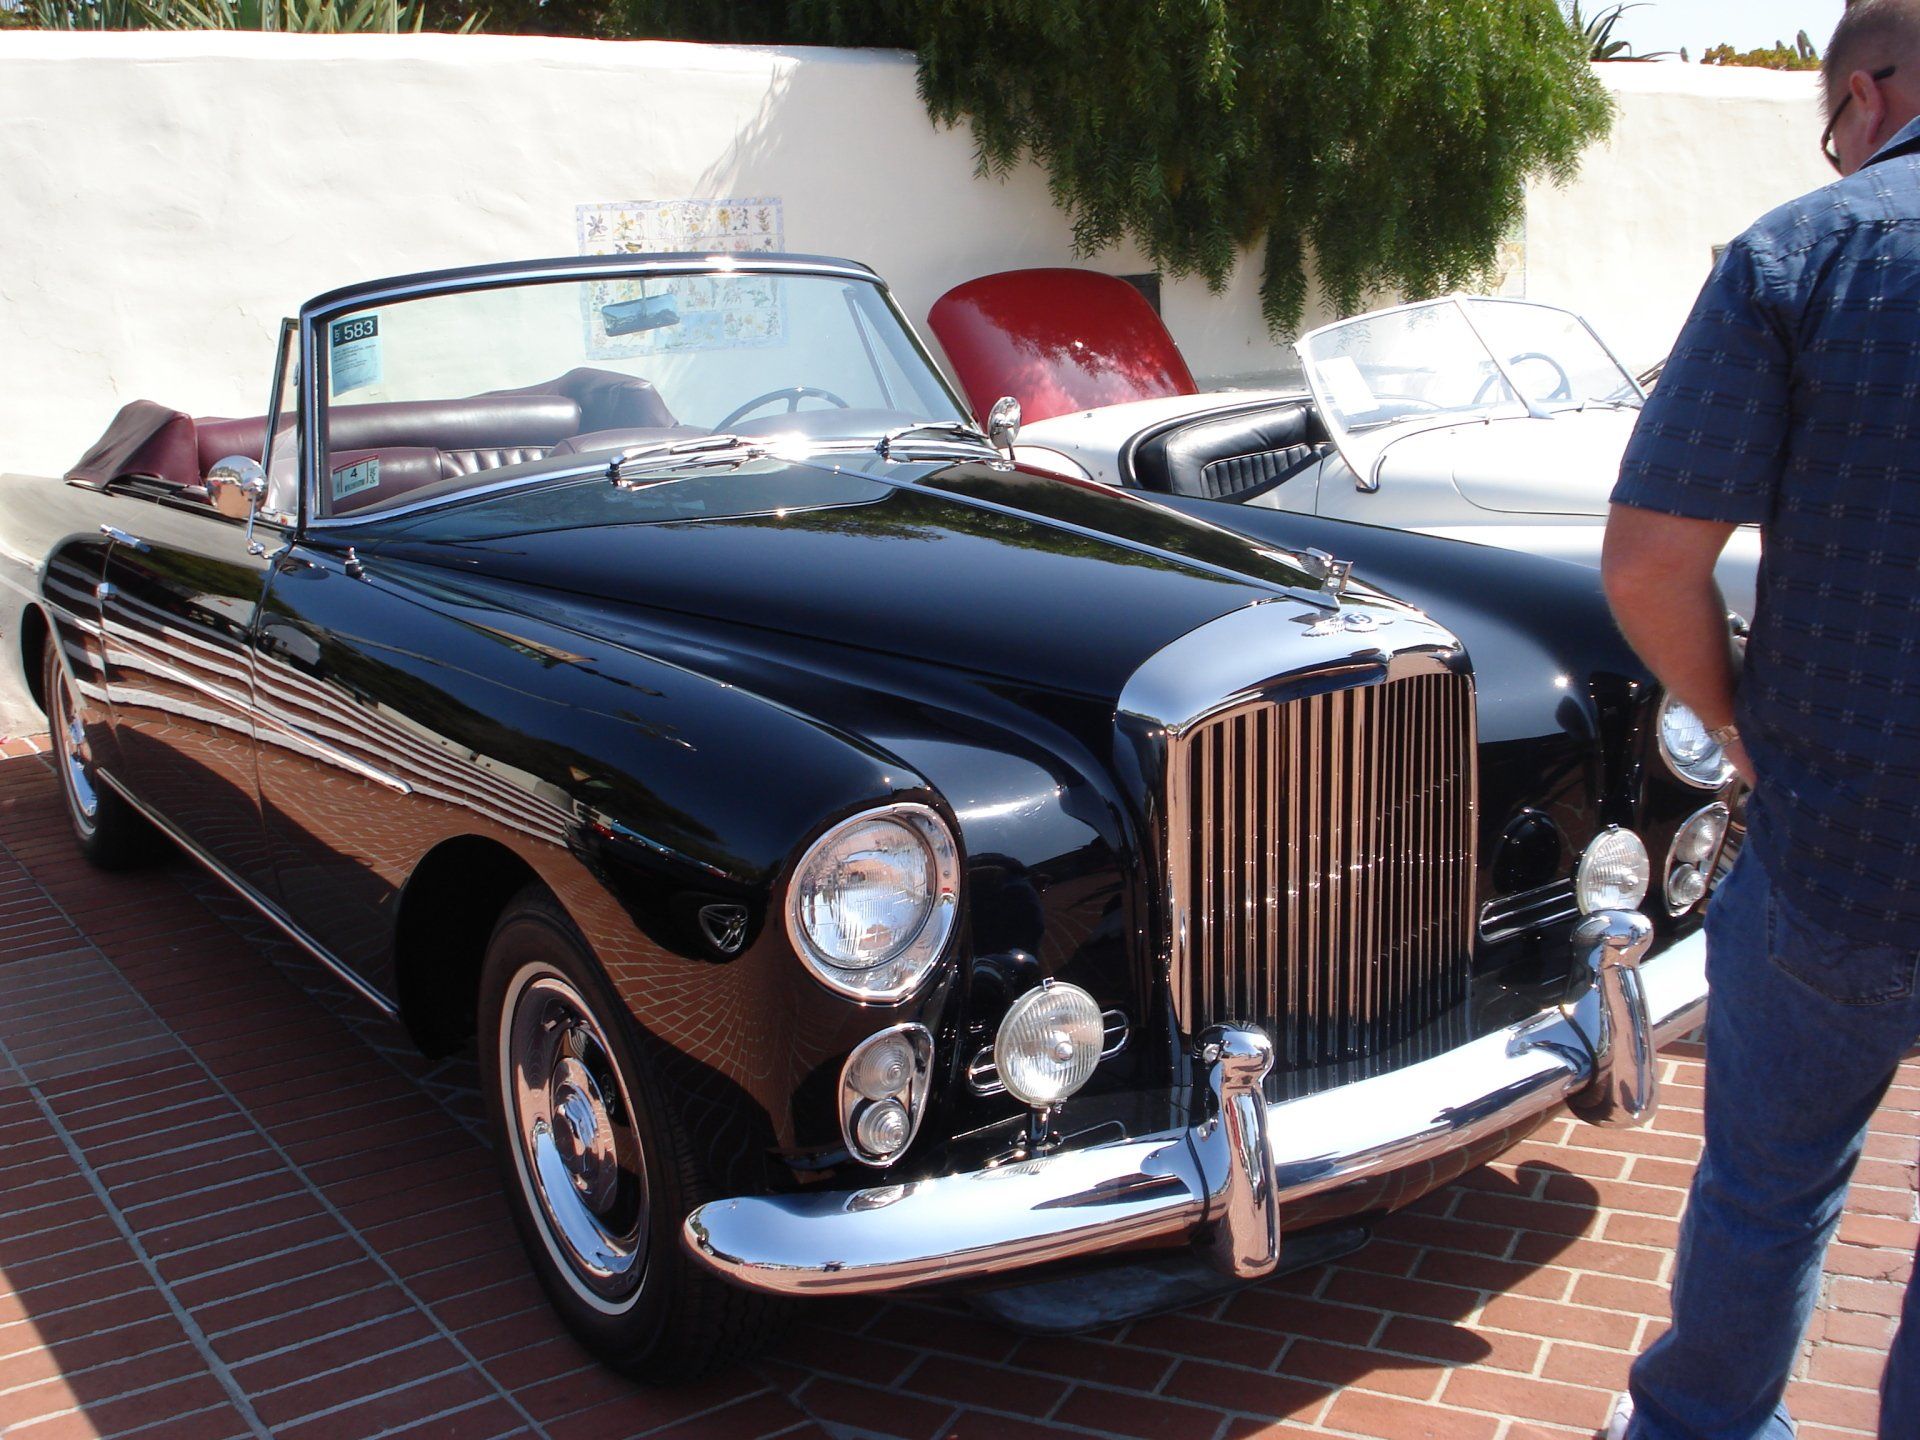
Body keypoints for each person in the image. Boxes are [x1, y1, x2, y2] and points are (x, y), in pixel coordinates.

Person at [1599, 4, 1920, 1437]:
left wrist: (1731, 717)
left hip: (1847, 829)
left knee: (1771, 1185)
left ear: (1867, 91)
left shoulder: (1814, 250)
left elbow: (1653, 559)